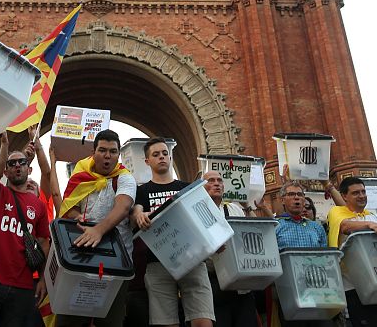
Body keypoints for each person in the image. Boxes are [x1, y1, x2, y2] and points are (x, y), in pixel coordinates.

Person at [0, 122, 50, 327]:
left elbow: (43, 243)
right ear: (5, 172)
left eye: (21, 162)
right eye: (11, 164)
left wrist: (43, 279)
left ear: (29, 168)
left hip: (23, 285)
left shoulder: (38, 205)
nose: (17, 166)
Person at [55, 129, 136, 327]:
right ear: (94, 152)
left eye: (113, 151)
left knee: (110, 321)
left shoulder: (125, 178)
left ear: (119, 154)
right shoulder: (82, 177)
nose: (108, 156)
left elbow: (124, 206)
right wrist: (80, 220)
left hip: (115, 266)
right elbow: (69, 208)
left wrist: (98, 230)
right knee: (69, 320)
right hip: (82, 261)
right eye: (102, 150)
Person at [132, 138, 215, 327]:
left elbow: (204, 218)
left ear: (169, 157)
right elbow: (136, 212)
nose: (161, 157)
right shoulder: (142, 191)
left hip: (193, 258)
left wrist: (215, 242)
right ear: (147, 161)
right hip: (157, 262)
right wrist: (140, 216)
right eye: (155, 154)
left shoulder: (187, 187)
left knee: (203, 320)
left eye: (164, 153)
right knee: (165, 323)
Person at [326, 176, 377, 327]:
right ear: (344, 196)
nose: (361, 196)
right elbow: (346, 227)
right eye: (355, 193)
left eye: (363, 191)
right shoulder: (336, 213)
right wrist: (369, 225)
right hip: (356, 288)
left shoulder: (376, 217)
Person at [202, 170, 258, 327]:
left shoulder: (234, 209)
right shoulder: (196, 211)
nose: (216, 183)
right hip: (214, 281)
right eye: (211, 180)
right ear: (201, 187)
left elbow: (254, 230)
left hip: (241, 283)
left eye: (219, 180)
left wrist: (247, 206)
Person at [270, 181, 331, 327]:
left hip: (318, 289)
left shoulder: (316, 227)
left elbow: (325, 258)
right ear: (282, 200)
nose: (296, 198)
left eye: (300, 195)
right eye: (291, 194)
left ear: (304, 199)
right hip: (290, 291)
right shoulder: (274, 226)